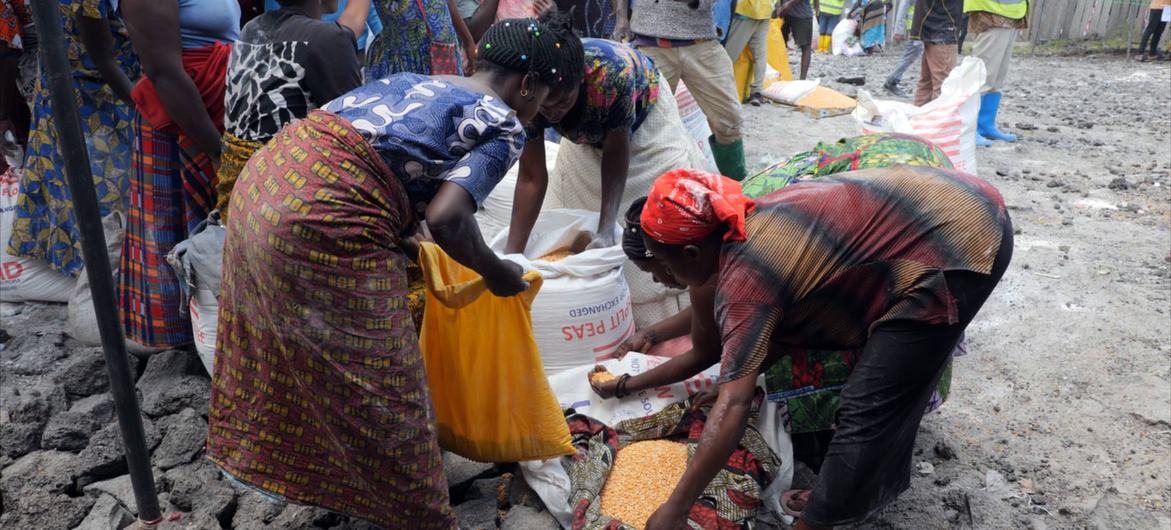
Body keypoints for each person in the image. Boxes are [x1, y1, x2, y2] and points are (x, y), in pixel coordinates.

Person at [205, 17, 584, 528]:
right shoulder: (501, 120)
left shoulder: (412, 79)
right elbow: (448, 218)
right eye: (542, 102)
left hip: (263, 188)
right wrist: (496, 272)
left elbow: (387, 164)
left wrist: (406, 228)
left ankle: (346, 486)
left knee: (317, 356)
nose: (537, 113)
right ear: (529, 85)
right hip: (320, 223)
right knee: (388, 385)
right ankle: (421, 516)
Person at [595, 166, 1011, 530]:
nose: (666, 277)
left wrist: (674, 508)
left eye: (667, 267)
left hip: (962, 239)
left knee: (867, 409)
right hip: (951, 200)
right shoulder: (742, 224)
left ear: (691, 251)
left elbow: (735, 406)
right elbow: (773, 332)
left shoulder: (746, 276)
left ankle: (818, 522)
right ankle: (837, 498)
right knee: (869, 400)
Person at [506, 37, 704, 327]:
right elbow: (532, 177)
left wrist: (605, 229)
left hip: (642, 121)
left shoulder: (611, 75)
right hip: (588, 133)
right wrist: (512, 255)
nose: (553, 113)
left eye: (562, 103)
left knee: (649, 218)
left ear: (579, 82)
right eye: (546, 107)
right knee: (573, 211)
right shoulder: (532, 93)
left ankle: (656, 325)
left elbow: (616, 152)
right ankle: (594, 314)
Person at [119, 0, 239, 347]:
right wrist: (215, 149)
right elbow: (163, 71)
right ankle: (197, 339)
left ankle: (227, 332)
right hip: (186, 117)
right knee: (187, 229)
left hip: (216, 103)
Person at [7, 0, 139, 277]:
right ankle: (102, 277)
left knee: (72, 188)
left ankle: (93, 272)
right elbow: (103, 58)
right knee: (99, 194)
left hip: (82, 89)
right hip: (92, 99)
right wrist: (147, 108)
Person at [216, 0, 370, 219]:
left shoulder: (251, 29)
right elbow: (356, 142)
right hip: (285, 207)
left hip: (236, 201)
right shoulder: (328, 39)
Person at [614, 0, 748, 180]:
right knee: (642, 125)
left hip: (702, 43)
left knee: (729, 119)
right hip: (651, 44)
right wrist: (621, 18)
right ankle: (641, 192)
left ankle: (736, 186)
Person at [964, 0, 1026, 145]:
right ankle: (969, 129)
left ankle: (985, 125)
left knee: (997, 75)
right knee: (982, 74)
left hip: (1010, 13)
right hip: (991, 12)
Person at [365, 0, 476, 78]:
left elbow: (447, 3)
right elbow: (355, 16)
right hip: (403, 61)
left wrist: (468, 40)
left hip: (445, 54)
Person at [265, 0, 384, 55]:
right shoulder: (330, 38)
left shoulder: (250, 28)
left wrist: (384, 36)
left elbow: (371, 12)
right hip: (306, 50)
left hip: (356, 47)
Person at [910, 0, 962, 106]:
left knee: (926, 83)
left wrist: (916, 33)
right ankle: (938, 119)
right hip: (944, 31)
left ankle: (918, 117)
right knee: (944, 85)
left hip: (933, 31)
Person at [723, 0, 774, 104]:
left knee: (729, 52)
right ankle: (757, 92)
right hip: (765, 10)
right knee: (760, 54)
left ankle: (719, 88)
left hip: (746, 10)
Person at [882, 0, 921, 97]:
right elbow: (903, 7)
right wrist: (898, 29)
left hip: (923, 26)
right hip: (916, 27)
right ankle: (892, 81)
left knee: (915, 54)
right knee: (912, 54)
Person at [776, 0, 813, 80]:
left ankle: (802, 79)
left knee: (805, 46)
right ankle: (779, 74)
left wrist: (789, 4)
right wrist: (779, 6)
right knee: (779, 43)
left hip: (801, 15)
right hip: (784, 13)